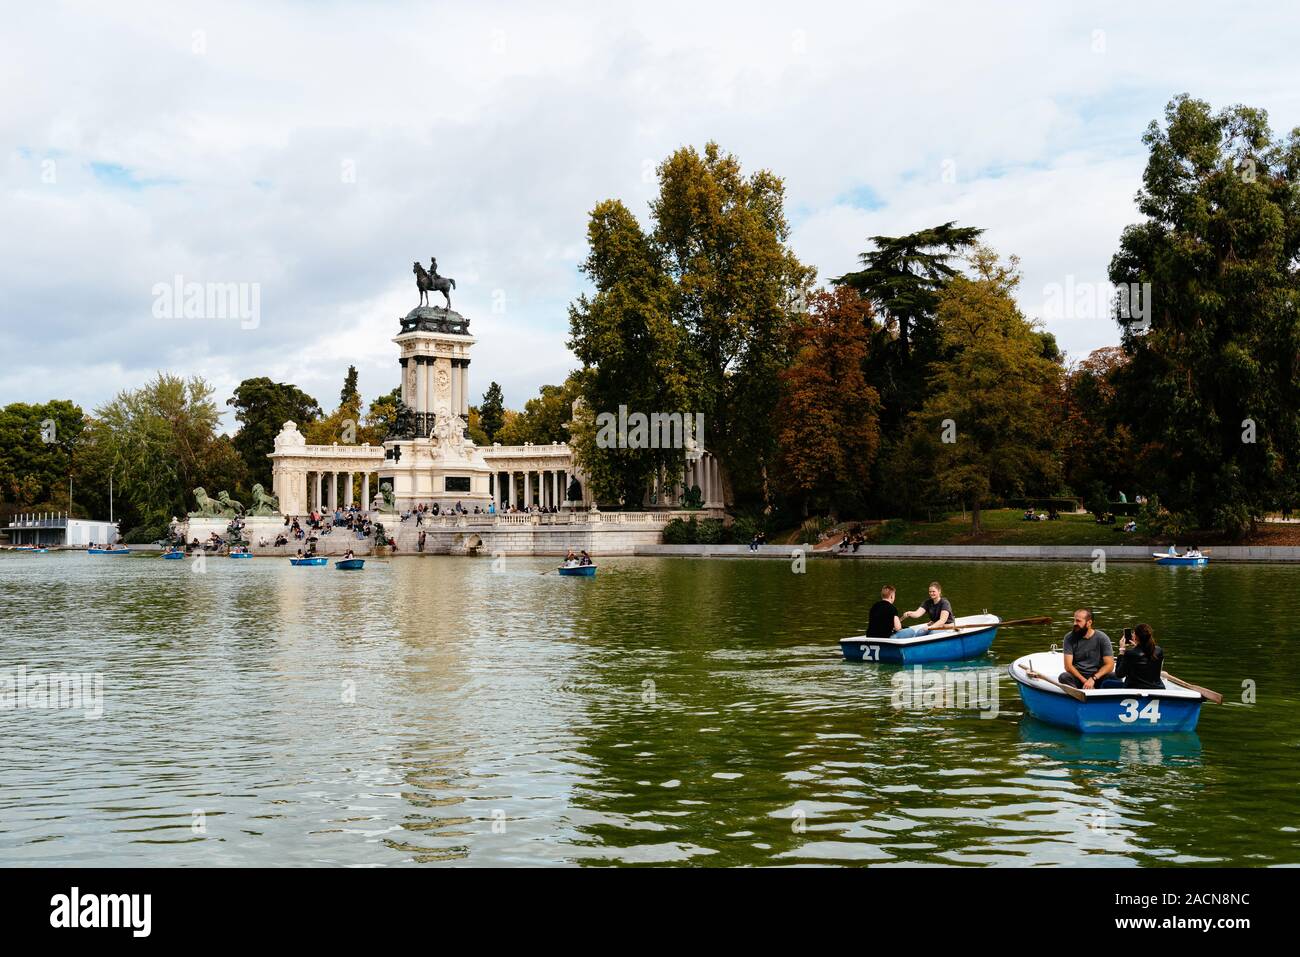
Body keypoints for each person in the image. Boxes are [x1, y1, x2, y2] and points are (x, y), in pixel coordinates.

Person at [1058, 608, 1121, 689]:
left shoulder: (1102, 638)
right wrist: (1085, 681)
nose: (1074, 623)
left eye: (1078, 621)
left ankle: (1102, 694)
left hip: (1097, 677)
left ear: (1089, 622)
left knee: (1115, 676)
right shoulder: (1069, 638)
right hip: (1079, 678)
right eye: (1074, 620)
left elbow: (1110, 665)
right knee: (1064, 677)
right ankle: (1078, 694)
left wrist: (1093, 679)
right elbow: (1068, 666)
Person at [1114, 624, 1165, 689]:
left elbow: (1119, 674)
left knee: (1106, 683)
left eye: (1133, 633)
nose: (1132, 634)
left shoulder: (1130, 654)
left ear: (1136, 637)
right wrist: (1136, 647)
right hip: (1157, 688)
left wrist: (1122, 650)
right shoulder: (1159, 650)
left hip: (1135, 689)